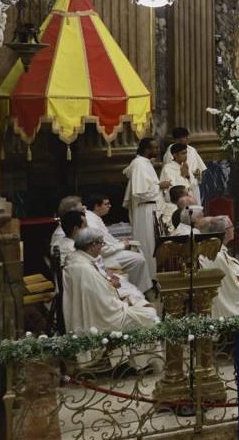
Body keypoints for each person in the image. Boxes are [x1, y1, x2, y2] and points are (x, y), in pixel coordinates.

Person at [62, 228, 159, 367]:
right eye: (101, 243)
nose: (102, 247)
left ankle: (130, 361)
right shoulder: (84, 269)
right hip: (103, 319)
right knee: (149, 314)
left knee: (138, 302)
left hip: (100, 311)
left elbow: (98, 293)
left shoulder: (77, 258)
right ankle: (139, 364)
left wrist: (109, 285)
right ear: (92, 245)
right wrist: (125, 302)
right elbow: (105, 305)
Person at [83, 194, 151, 293]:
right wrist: (122, 245)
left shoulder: (95, 218)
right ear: (97, 206)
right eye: (106, 204)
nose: (110, 206)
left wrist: (120, 242)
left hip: (109, 251)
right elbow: (102, 248)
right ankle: (138, 291)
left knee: (137, 251)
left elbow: (107, 239)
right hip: (103, 257)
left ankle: (137, 290)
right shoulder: (91, 221)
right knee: (138, 259)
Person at [122, 138, 167, 278]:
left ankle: (154, 276)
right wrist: (160, 186)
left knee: (152, 244)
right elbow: (142, 192)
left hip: (151, 209)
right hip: (146, 210)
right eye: (155, 148)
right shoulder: (139, 164)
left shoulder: (145, 163)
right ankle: (150, 278)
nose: (158, 150)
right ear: (147, 149)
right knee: (148, 245)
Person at [163, 127, 206, 202]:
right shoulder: (171, 152)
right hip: (179, 190)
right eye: (185, 137)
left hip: (193, 187)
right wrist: (183, 176)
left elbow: (198, 168)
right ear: (177, 140)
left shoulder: (192, 150)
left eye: (187, 136)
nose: (188, 138)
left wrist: (196, 179)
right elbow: (170, 172)